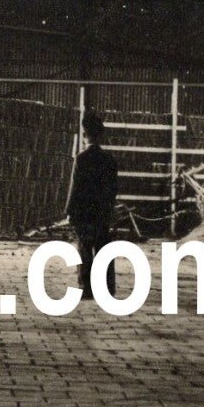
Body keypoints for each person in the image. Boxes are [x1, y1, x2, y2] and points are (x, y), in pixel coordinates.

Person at [66, 110, 119, 296]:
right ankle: (107, 288)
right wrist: (109, 209)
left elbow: (76, 187)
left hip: (84, 211)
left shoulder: (81, 158)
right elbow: (113, 189)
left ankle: (86, 288)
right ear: (101, 134)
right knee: (104, 247)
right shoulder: (109, 159)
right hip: (102, 211)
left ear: (85, 134)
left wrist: (70, 211)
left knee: (84, 248)